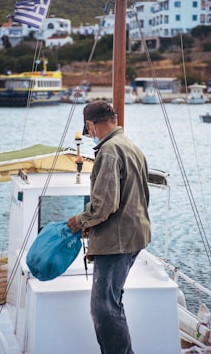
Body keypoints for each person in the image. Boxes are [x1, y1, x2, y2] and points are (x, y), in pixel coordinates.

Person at [67, 100, 151, 354]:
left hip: (117, 242)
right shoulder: (130, 145)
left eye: (89, 129)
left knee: (103, 308)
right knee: (112, 302)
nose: (90, 133)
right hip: (134, 236)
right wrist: (92, 226)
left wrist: (79, 221)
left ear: (91, 126)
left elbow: (103, 205)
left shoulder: (109, 151)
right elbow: (134, 196)